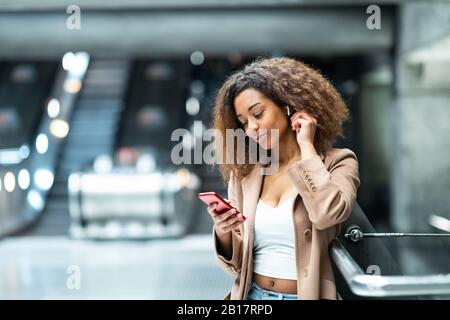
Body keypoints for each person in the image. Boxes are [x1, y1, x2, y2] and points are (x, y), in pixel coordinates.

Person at [207, 56, 360, 300]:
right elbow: (236, 265)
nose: (251, 128)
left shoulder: (338, 162)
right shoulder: (246, 174)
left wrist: (307, 149)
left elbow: (327, 215)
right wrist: (224, 231)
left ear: (289, 106)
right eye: (244, 122)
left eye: (258, 114)